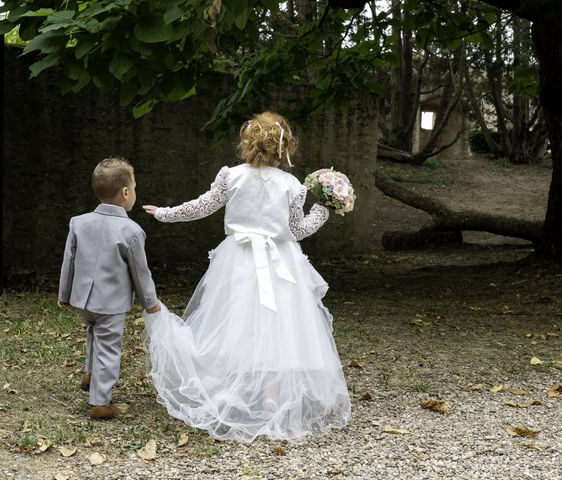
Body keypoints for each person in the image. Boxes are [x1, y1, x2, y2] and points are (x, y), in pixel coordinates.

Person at [142, 111, 351, 443]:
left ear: (248, 142)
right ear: (284, 149)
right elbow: (297, 230)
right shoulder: (292, 185)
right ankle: (270, 399)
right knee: (277, 326)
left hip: (237, 261)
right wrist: (322, 211)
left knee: (237, 324)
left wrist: (165, 214)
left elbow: (202, 206)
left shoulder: (232, 176)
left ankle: (235, 392)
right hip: (281, 261)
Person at [58, 157, 161, 419]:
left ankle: (90, 374)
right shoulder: (132, 230)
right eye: (134, 188)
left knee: (93, 333)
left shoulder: (78, 223)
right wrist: (150, 302)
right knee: (108, 347)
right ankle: (101, 402)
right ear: (126, 192)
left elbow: (68, 261)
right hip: (110, 304)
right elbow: (140, 272)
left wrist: (64, 295)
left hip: (84, 300)